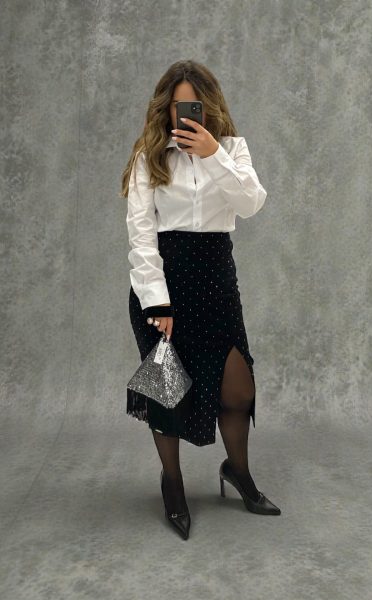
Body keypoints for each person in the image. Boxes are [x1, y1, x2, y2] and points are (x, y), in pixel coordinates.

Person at [121, 60, 281, 540]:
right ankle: (173, 484)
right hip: (164, 286)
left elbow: (251, 203)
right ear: (166, 108)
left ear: (209, 106)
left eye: (194, 105)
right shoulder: (150, 154)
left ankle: (238, 471)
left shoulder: (232, 150)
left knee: (238, 388)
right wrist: (156, 302)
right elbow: (141, 234)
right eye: (177, 105)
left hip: (216, 284)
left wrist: (213, 155)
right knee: (166, 390)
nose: (185, 114)